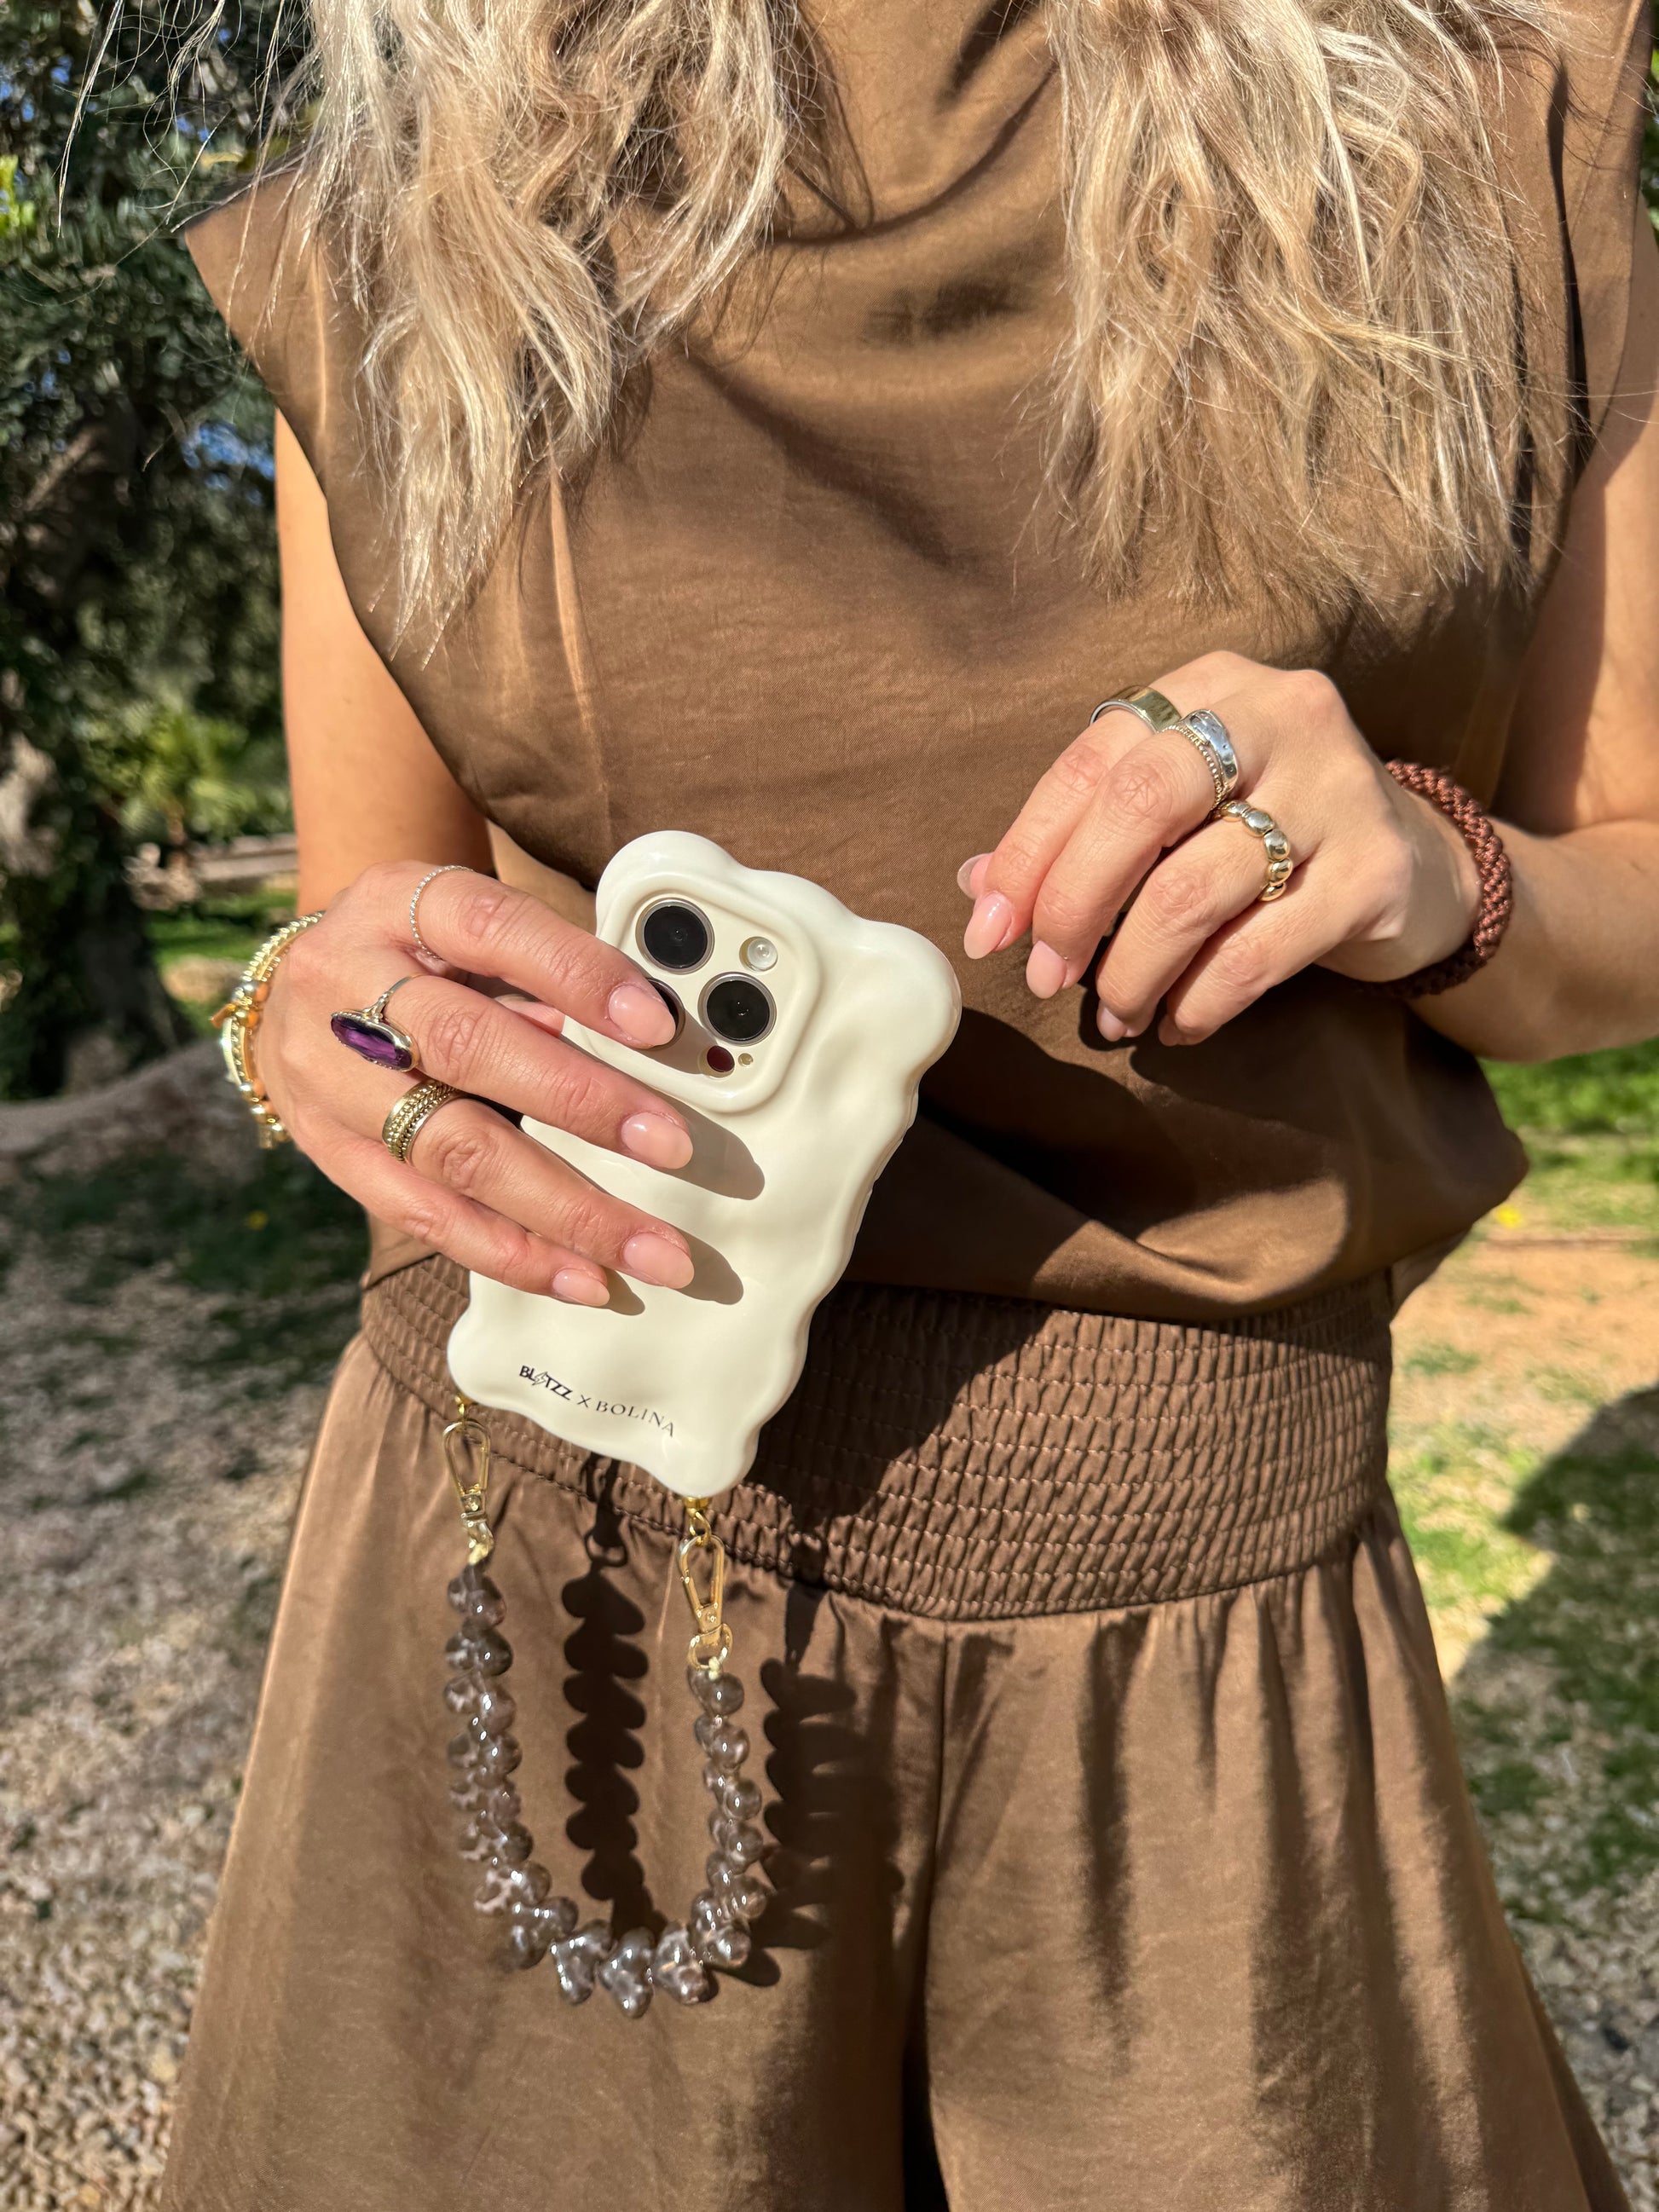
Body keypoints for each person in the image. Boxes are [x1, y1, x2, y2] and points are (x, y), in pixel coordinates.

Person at [160, 0, 1659, 2203]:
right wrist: (304, 1016)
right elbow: (366, 929)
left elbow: (1635, 868)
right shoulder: (429, 165)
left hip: (1193, 1650)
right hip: (547, 1593)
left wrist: (1434, 874)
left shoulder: (1484, 98)